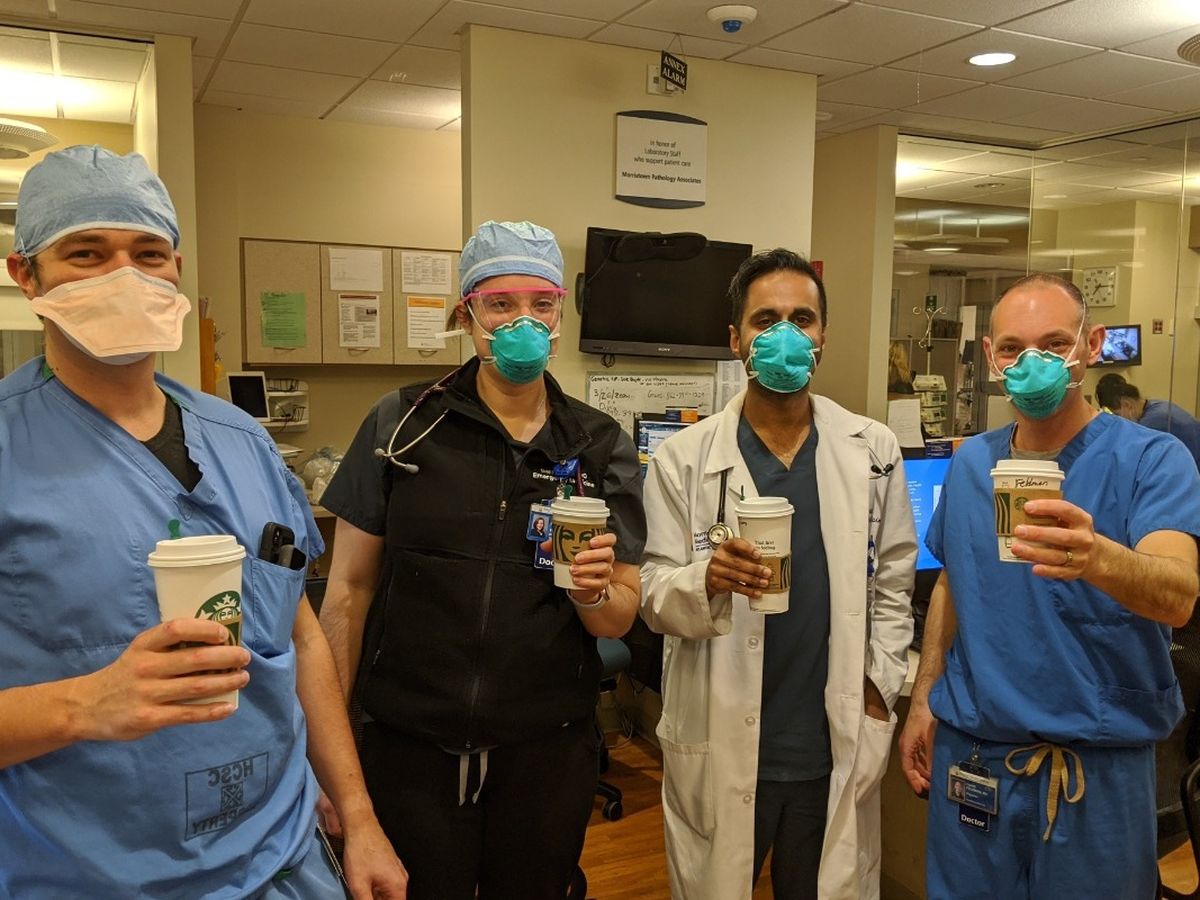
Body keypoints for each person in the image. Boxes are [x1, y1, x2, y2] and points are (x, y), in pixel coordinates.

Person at [0, 146, 407, 897]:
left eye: (147, 254)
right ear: (27, 275)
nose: (124, 275)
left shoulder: (243, 442)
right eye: (86, 253)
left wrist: (358, 813)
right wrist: (81, 706)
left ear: (176, 271)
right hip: (90, 877)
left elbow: (300, 637)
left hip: (281, 859)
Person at [317, 220, 647, 900]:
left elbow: (618, 618)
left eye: (541, 303)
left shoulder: (597, 444)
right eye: (500, 304)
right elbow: (347, 590)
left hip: (546, 752)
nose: (523, 321)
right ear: (466, 314)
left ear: (560, 315)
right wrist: (332, 757)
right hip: (409, 746)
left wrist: (591, 593)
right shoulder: (402, 424)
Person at [898, 274, 1200, 900]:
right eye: (1013, 348)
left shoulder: (1152, 459)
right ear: (991, 357)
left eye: (1055, 343)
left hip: (1095, 768)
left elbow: (1177, 597)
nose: (1031, 362)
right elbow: (955, 579)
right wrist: (925, 697)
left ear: (1091, 345)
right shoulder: (973, 462)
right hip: (975, 759)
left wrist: (1097, 557)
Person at [640, 248, 917, 900]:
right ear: (735, 339)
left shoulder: (871, 448)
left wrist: (879, 687)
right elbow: (652, 593)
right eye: (766, 320)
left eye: (802, 319)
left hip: (830, 741)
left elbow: (894, 580)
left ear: (822, 338)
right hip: (722, 736)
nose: (785, 335)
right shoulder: (683, 458)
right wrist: (706, 580)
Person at [1095, 371, 1200, 471]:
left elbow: (1127, 455)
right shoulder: (1155, 405)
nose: (1118, 419)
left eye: (1117, 414)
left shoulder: (1153, 421)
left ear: (1127, 405)